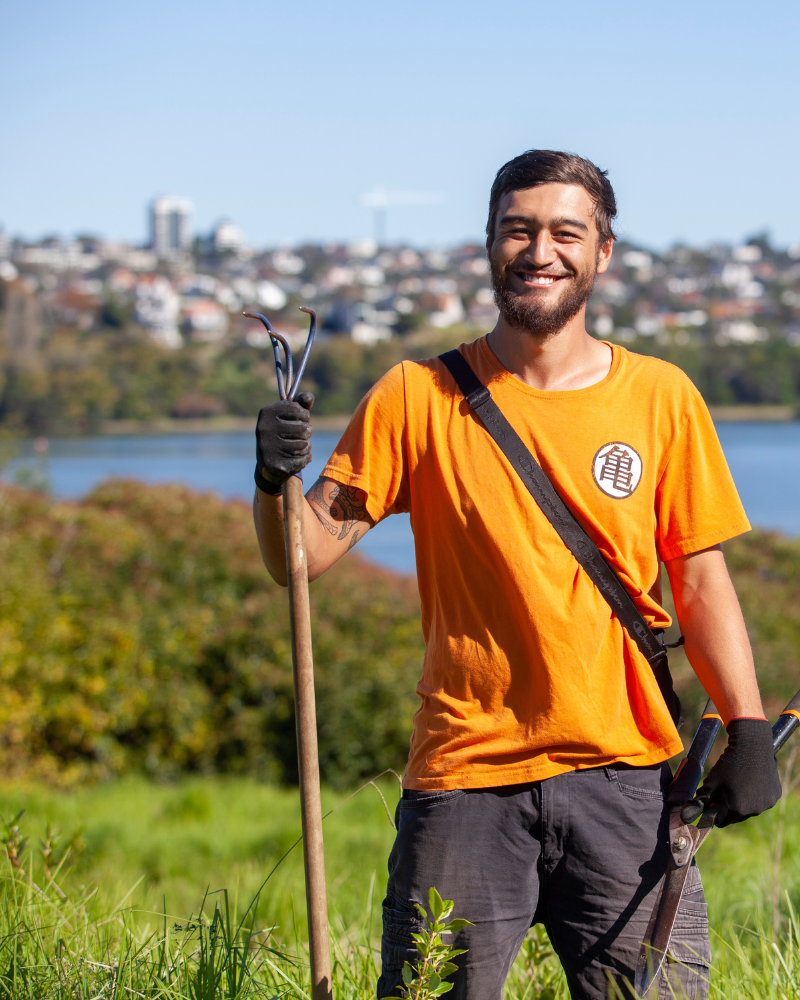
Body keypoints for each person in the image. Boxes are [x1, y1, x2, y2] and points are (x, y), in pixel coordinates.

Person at [252, 150, 782, 1000]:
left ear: (603, 251)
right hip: (466, 779)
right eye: (518, 229)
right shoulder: (415, 396)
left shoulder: (661, 397)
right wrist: (272, 481)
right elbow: (301, 558)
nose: (540, 250)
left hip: (627, 782)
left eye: (566, 232)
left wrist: (745, 725)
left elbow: (701, 578)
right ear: (490, 245)